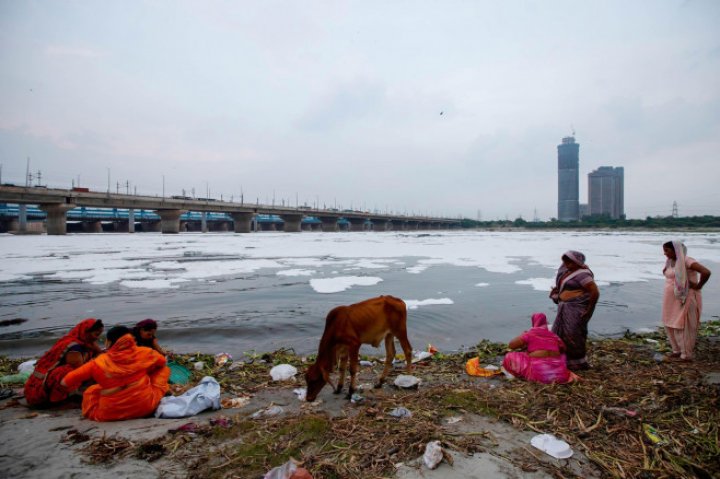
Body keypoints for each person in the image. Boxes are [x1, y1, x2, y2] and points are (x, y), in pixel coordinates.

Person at [61, 326, 170, 421]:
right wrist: (144, 373)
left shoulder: (97, 363)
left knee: (92, 390)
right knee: (163, 370)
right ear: (131, 340)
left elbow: (65, 382)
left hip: (108, 414)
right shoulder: (145, 353)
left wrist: (107, 388)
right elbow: (162, 362)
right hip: (146, 408)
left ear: (108, 342)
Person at [24, 318, 104, 407]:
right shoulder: (75, 347)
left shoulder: (86, 342)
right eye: (96, 334)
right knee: (67, 371)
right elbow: (80, 370)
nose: (97, 338)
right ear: (86, 331)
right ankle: (61, 400)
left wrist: (98, 352)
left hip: (48, 381)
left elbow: (99, 353)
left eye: (99, 335)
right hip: (40, 388)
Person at [661, 240, 712, 362]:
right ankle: (676, 350)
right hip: (671, 299)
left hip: (685, 298)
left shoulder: (687, 260)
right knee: (670, 323)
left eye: (667, 250)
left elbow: (706, 272)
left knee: (683, 324)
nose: (664, 253)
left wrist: (699, 286)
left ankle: (686, 355)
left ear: (676, 250)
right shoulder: (670, 261)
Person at [549, 250, 599, 371]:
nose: (566, 263)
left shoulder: (583, 275)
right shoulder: (567, 272)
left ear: (577, 262)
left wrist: (589, 309)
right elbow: (564, 285)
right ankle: (563, 360)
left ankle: (578, 363)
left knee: (573, 334)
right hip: (565, 308)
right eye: (565, 260)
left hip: (576, 308)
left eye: (570, 261)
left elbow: (594, 292)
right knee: (560, 333)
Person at [502, 313, 576, 384]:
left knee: (509, 356)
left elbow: (511, 345)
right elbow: (563, 349)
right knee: (562, 356)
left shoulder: (530, 333)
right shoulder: (554, 336)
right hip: (560, 375)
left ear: (534, 322)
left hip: (540, 375)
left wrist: (522, 335)